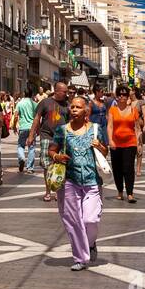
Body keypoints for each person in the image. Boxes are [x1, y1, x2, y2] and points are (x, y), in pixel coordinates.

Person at [49, 95, 107, 271]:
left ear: (86, 111)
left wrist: (99, 146)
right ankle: (80, 258)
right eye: (72, 107)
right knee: (74, 221)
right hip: (70, 181)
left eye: (78, 107)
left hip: (92, 181)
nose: (74, 110)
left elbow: (105, 153)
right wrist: (57, 156)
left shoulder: (96, 129)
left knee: (90, 219)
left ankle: (90, 243)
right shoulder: (62, 130)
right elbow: (52, 151)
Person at [27, 80, 70, 203]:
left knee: (61, 164)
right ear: (56, 91)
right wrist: (31, 136)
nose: (66, 94)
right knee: (47, 165)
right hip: (47, 136)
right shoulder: (45, 102)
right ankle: (47, 191)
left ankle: (58, 191)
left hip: (62, 138)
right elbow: (37, 119)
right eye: (64, 92)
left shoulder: (67, 104)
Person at [107, 85, 141, 202]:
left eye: (124, 94)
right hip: (115, 143)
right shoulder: (112, 110)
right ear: (117, 96)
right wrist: (110, 140)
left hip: (130, 143)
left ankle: (130, 193)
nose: (122, 96)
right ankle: (120, 191)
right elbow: (110, 126)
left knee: (128, 168)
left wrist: (139, 144)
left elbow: (137, 128)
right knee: (117, 169)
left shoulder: (133, 110)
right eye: (120, 94)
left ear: (128, 96)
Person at [14, 91, 37, 173]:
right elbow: (37, 117)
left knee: (20, 145)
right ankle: (30, 168)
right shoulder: (34, 104)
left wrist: (14, 126)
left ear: (24, 94)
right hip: (32, 128)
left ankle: (21, 158)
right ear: (32, 95)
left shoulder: (20, 103)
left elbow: (16, 116)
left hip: (23, 127)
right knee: (31, 147)